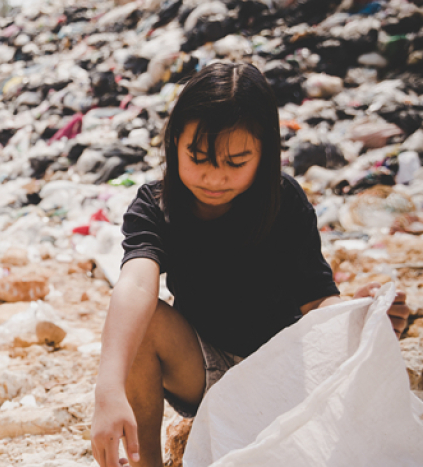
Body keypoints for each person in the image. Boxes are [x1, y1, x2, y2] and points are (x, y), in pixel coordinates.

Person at [90, 62, 411, 467]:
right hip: (204, 371)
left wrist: (359, 314)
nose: (214, 177)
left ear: (265, 153)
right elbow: (136, 284)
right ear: (173, 144)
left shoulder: (284, 202)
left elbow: (318, 303)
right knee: (144, 321)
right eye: (199, 157)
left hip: (282, 374)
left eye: (236, 161)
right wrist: (108, 386)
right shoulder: (156, 206)